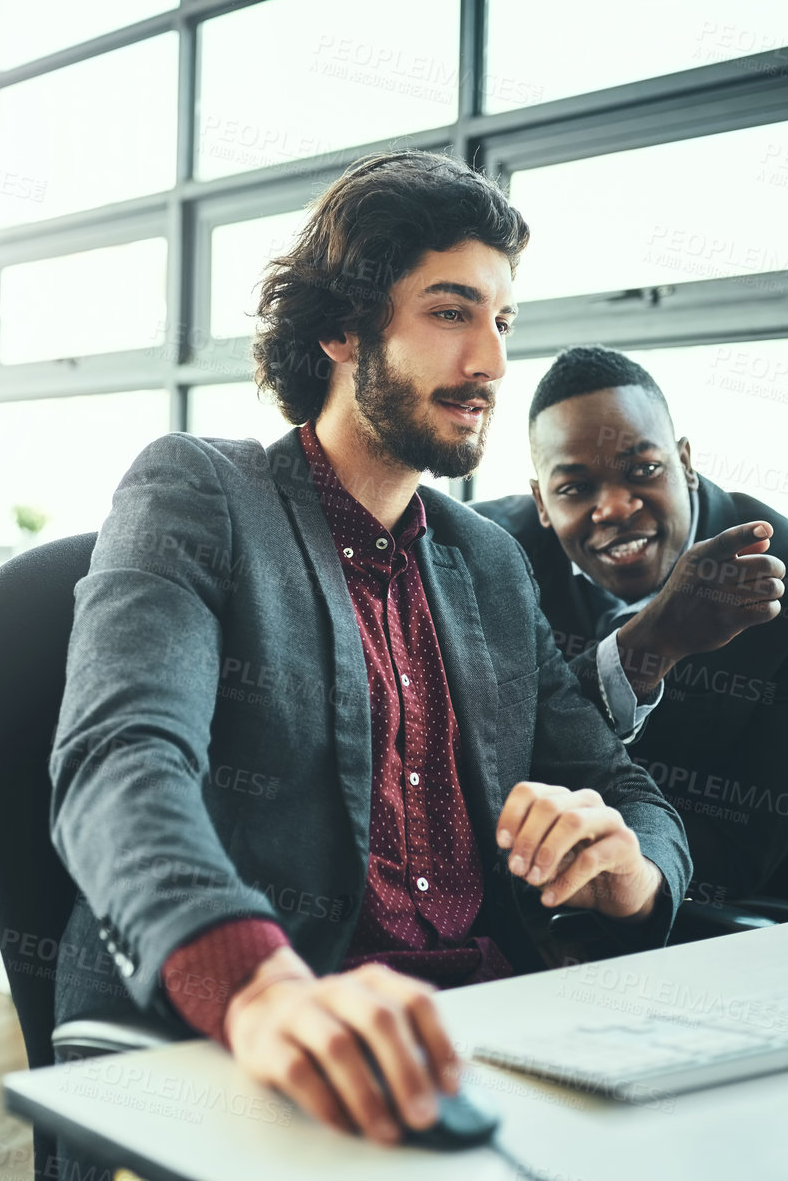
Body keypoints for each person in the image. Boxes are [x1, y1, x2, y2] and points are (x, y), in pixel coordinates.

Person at [48, 152, 691, 1154]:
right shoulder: (200, 494)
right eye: (450, 312)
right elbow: (119, 758)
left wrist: (632, 870)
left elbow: (617, 781)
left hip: (495, 1044)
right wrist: (258, 986)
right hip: (278, 1050)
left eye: (503, 322)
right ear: (340, 329)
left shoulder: (488, 560)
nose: (490, 362)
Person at [473, 345, 788, 907]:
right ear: (540, 500)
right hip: (521, 894)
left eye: (643, 470)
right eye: (575, 488)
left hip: (700, 920)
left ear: (685, 462)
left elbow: (746, 847)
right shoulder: (488, 555)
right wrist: (649, 642)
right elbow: (494, 757)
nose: (613, 508)